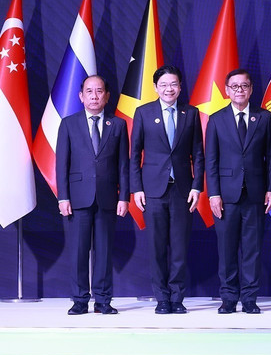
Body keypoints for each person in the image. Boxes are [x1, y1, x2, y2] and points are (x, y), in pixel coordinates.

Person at [130, 65, 204, 314]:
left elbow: (199, 154)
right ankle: (162, 298)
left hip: (182, 190)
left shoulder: (190, 113)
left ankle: (177, 298)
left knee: (180, 247)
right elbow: (134, 154)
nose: (168, 89)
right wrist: (136, 187)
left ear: (180, 87)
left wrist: (197, 186)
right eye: (163, 85)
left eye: (173, 84)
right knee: (157, 245)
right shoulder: (143, 112)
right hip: (152, 190)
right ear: (155, 88)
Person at [56, 75, 129, 315]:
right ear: (81, 96)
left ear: (107, 96)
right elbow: (61, 164)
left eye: (99, 91)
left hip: (108, 197)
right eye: (90, 91)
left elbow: (123, 165)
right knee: (78, 251)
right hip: (77, 198)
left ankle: (103, 300)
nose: (95, 96)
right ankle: (79, 300)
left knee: (104, 251)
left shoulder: (117, 125)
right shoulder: (68, 123)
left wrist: (124, 196)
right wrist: (63, 197)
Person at [206, 69, 271, 314]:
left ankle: (249, 299)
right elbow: (211, 160)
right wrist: (213, 194)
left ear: (251, 89)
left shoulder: (264, 117)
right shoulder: (216, 119)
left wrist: (270, 188)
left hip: (255, 194)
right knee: (227, 249)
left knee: (252, 249)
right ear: (227, 90)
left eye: (244, 86)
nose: (239, 90)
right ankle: (228, 298)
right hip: (226, 195)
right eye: (234, 86)